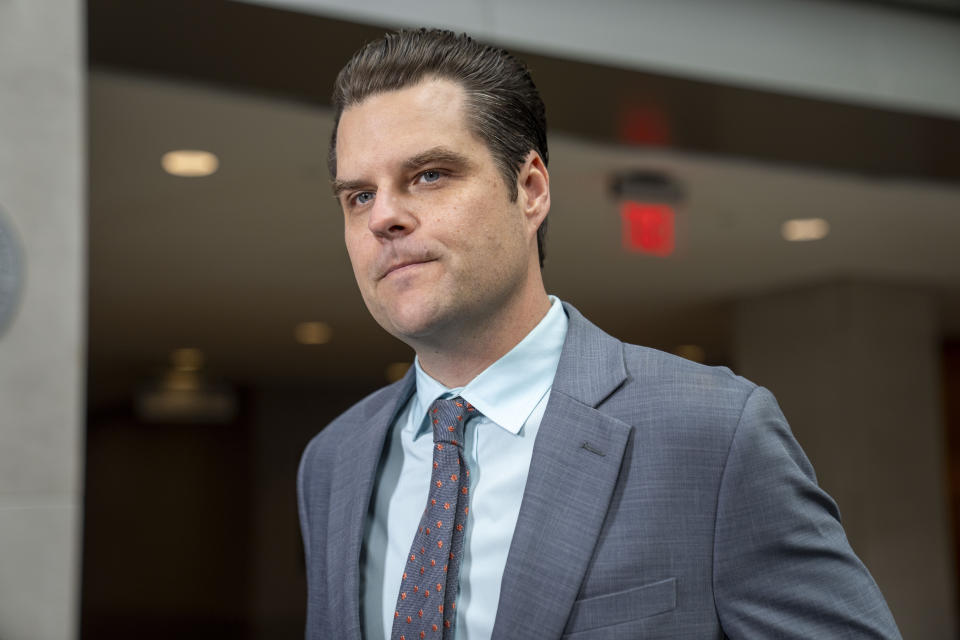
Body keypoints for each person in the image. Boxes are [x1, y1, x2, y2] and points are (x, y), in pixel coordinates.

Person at [297, 28, 901, 640]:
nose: (383, 218)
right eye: (359, 195)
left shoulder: (715, 433)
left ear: (530, 190)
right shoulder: (332, 461)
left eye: (429, 174)